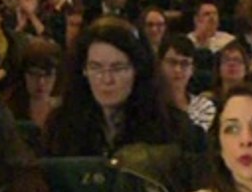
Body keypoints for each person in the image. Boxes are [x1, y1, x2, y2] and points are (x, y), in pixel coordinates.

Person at [45, 18, 198, 156]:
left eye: (118, 68)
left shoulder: (173, 128)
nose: (107, 79)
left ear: (138, 70)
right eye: (95, 67)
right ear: (83, 70)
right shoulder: (60, 126)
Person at [159, 35, 217, 132]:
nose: (177, 69)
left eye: (184, 64)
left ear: (192, 69)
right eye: (172, 62)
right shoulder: (148, 105)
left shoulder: (204, 106)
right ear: (160, 65)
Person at [5, 37, 62, 131]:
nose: (41, 82)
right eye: (34, 74)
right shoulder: (9, 109)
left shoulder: (63, 111)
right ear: (24, 75)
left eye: (48, 75)